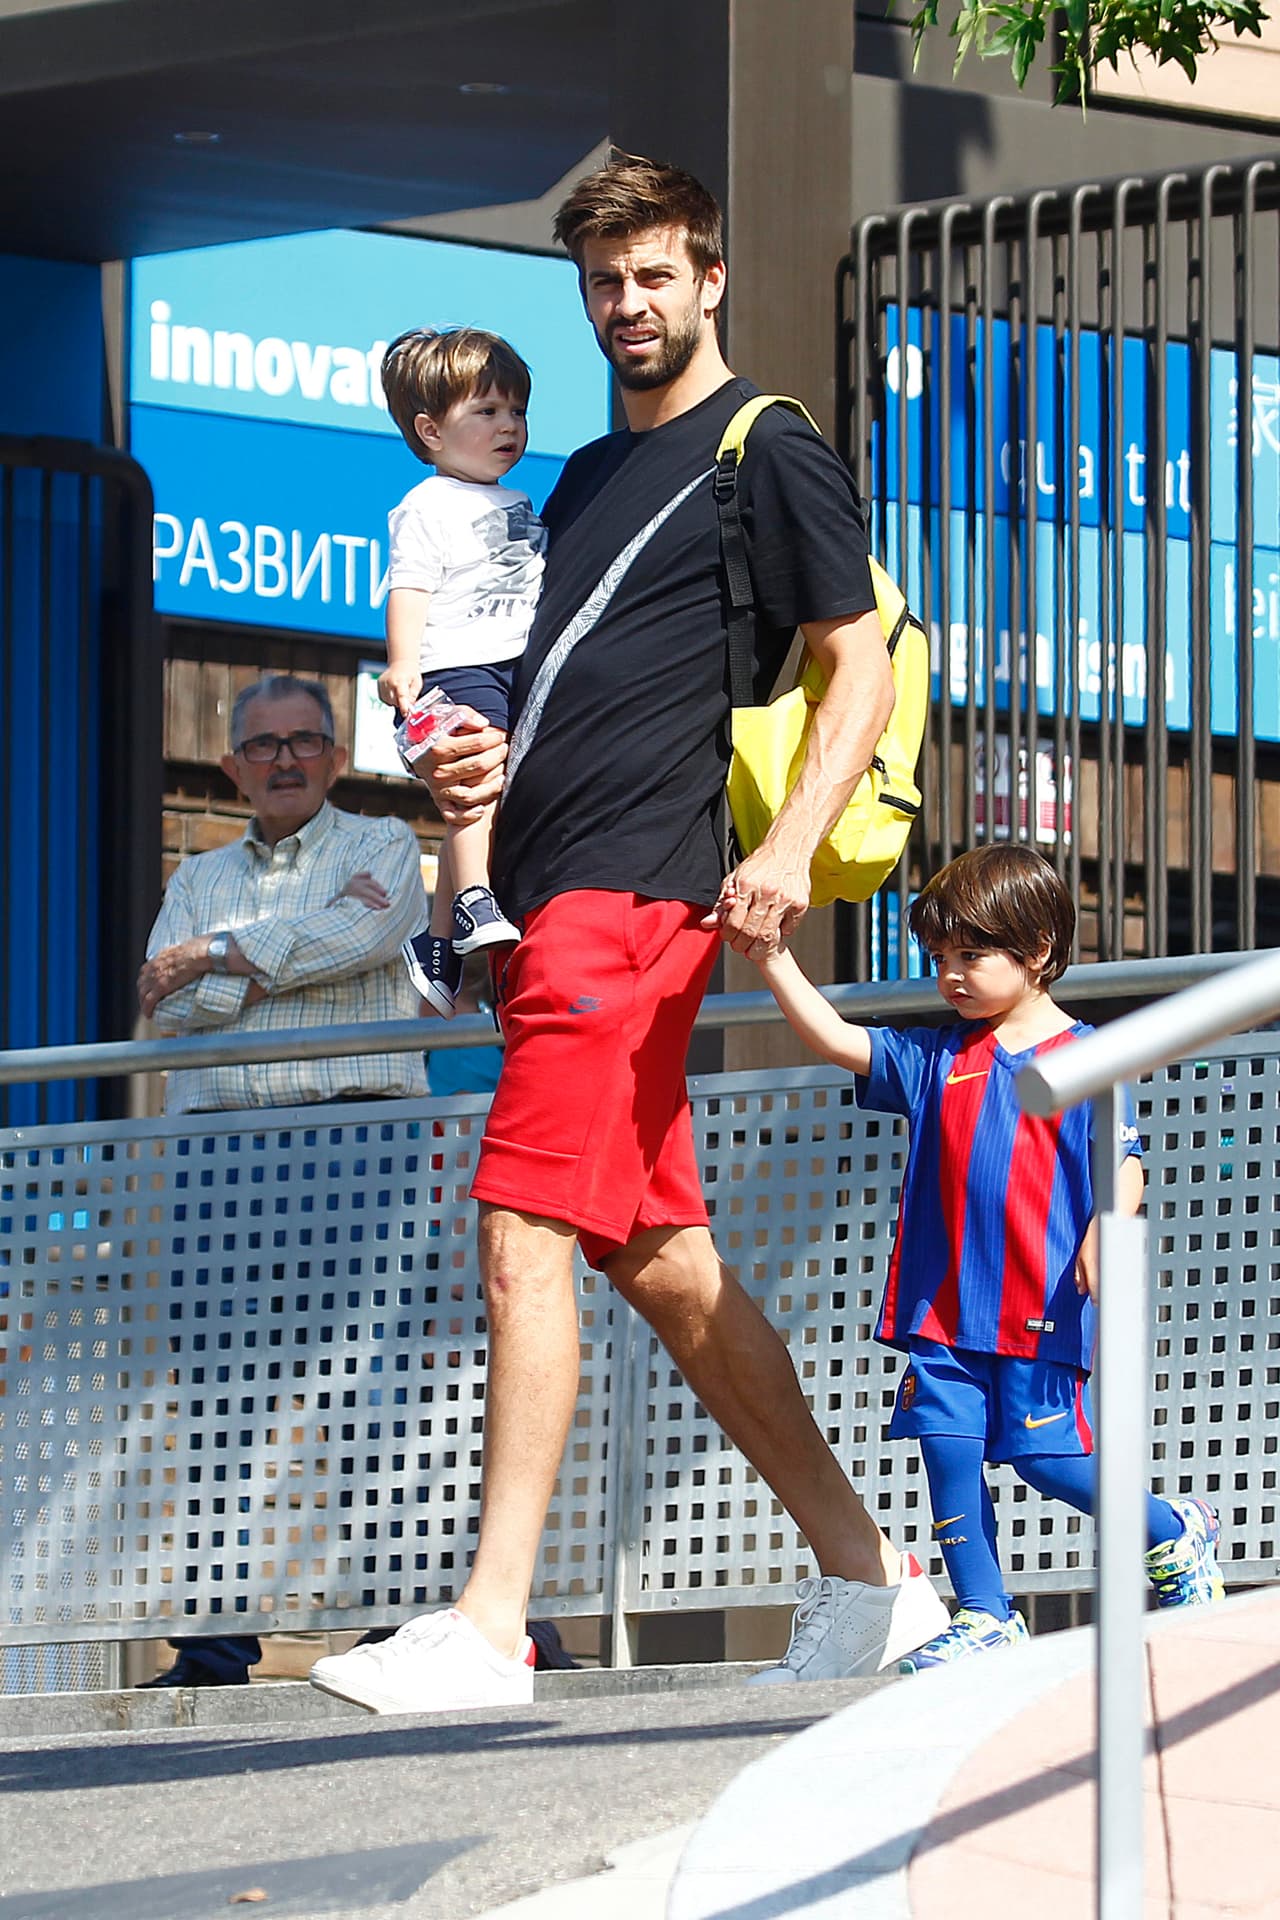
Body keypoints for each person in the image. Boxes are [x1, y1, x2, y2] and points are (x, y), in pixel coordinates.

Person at [309, 150, 950, 1719]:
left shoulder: (769, 446)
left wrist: (788, 852)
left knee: (521, 1222)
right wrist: (464, 764)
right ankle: (879, 1582)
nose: (629, 306)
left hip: (637, 891)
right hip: (548, 890)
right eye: (605, 283)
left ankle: (490, 1626)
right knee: (664, 1260)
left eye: (656, 275)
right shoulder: (582, 479)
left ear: (710, 276)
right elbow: (525, 686)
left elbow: (853, 667)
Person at [749, 843, 1226, 1673]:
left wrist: (1104, 1232)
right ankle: (986, 1614)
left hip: (1038, 1310)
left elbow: (1127, 1160)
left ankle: (1172, 1531)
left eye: (972, 954)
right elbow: (834, 1037)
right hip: (940, 1314)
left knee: (1052, 1462)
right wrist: (772, 956)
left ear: (1038, 949)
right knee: (948, 1451)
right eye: (941, 958)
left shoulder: (1085, 1058)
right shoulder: (936, 1057)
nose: (952, 975)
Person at [136, 673, 430, 1686]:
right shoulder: (195, 875)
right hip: (220, 1148)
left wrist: (222, 957)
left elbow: (371, 932)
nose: (286, 760)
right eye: (264, 747)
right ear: (232, 767)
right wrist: (289, 962)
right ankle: (216, 1645)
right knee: (220, 1399)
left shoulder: (383, 846)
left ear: (337, 757)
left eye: (305, 741)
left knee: (372, 1387)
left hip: (359, 1141)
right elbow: (160, 1010)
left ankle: (394, 1627)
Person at [377, 326, 547, 1018]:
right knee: (478, 782)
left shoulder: (517, 501)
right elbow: (408, 585)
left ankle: (438, 941)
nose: (508, 425)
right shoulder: (429, 502)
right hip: (454, 665)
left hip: (509, 664)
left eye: (516, 411)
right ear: (431, 430)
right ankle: (474, 899)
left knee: (480, 795)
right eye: (487, 412)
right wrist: (402, 664)